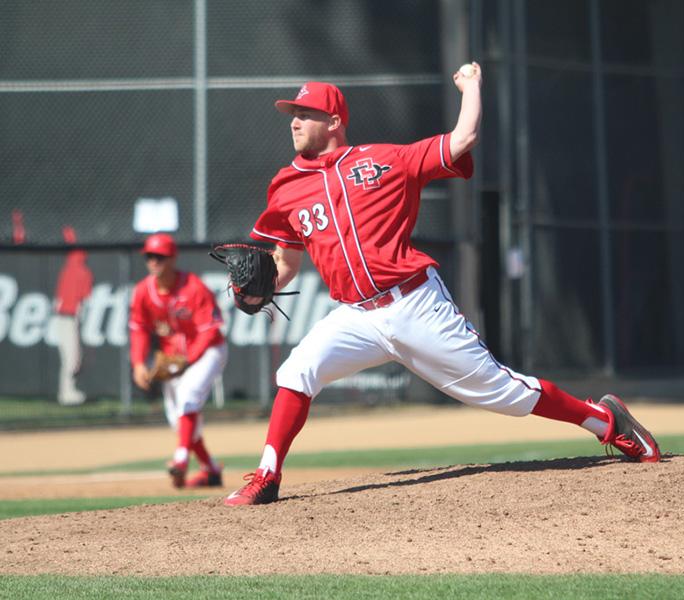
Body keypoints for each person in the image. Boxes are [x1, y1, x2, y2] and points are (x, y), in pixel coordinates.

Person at [223, 63, 660, 506]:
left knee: (504, 392)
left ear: (334, 121)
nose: (294, 121)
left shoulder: (385, 160)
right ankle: (267, 475)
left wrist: (471, 86)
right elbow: (285, 261)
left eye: (306, 112)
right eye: (292, 113)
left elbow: (462, 139)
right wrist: (258, 289)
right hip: (355, 316)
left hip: (414, 304)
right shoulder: (285, 187)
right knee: (297, 371)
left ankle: (605, 421)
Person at [128, 233, 228, 489]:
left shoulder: (194, 287)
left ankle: (181, 460)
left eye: (159, 256)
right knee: (179, 419)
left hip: (208, 353)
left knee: (188, 398)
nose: (154, 261)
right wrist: (138, 363)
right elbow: (138, 328)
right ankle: (211, 470)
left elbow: (210, 330)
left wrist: (188, 360)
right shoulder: (143, 292)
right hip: (174, 362)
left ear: (172, 258)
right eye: (149, 256)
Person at [54, 225, 93, 406]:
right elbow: (85, 299)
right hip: (67, 318)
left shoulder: (69, 268)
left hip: (64, 318)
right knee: (72, 359)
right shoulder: (80, 270)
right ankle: (67, 393)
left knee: (72, 359)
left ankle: (68, 391)